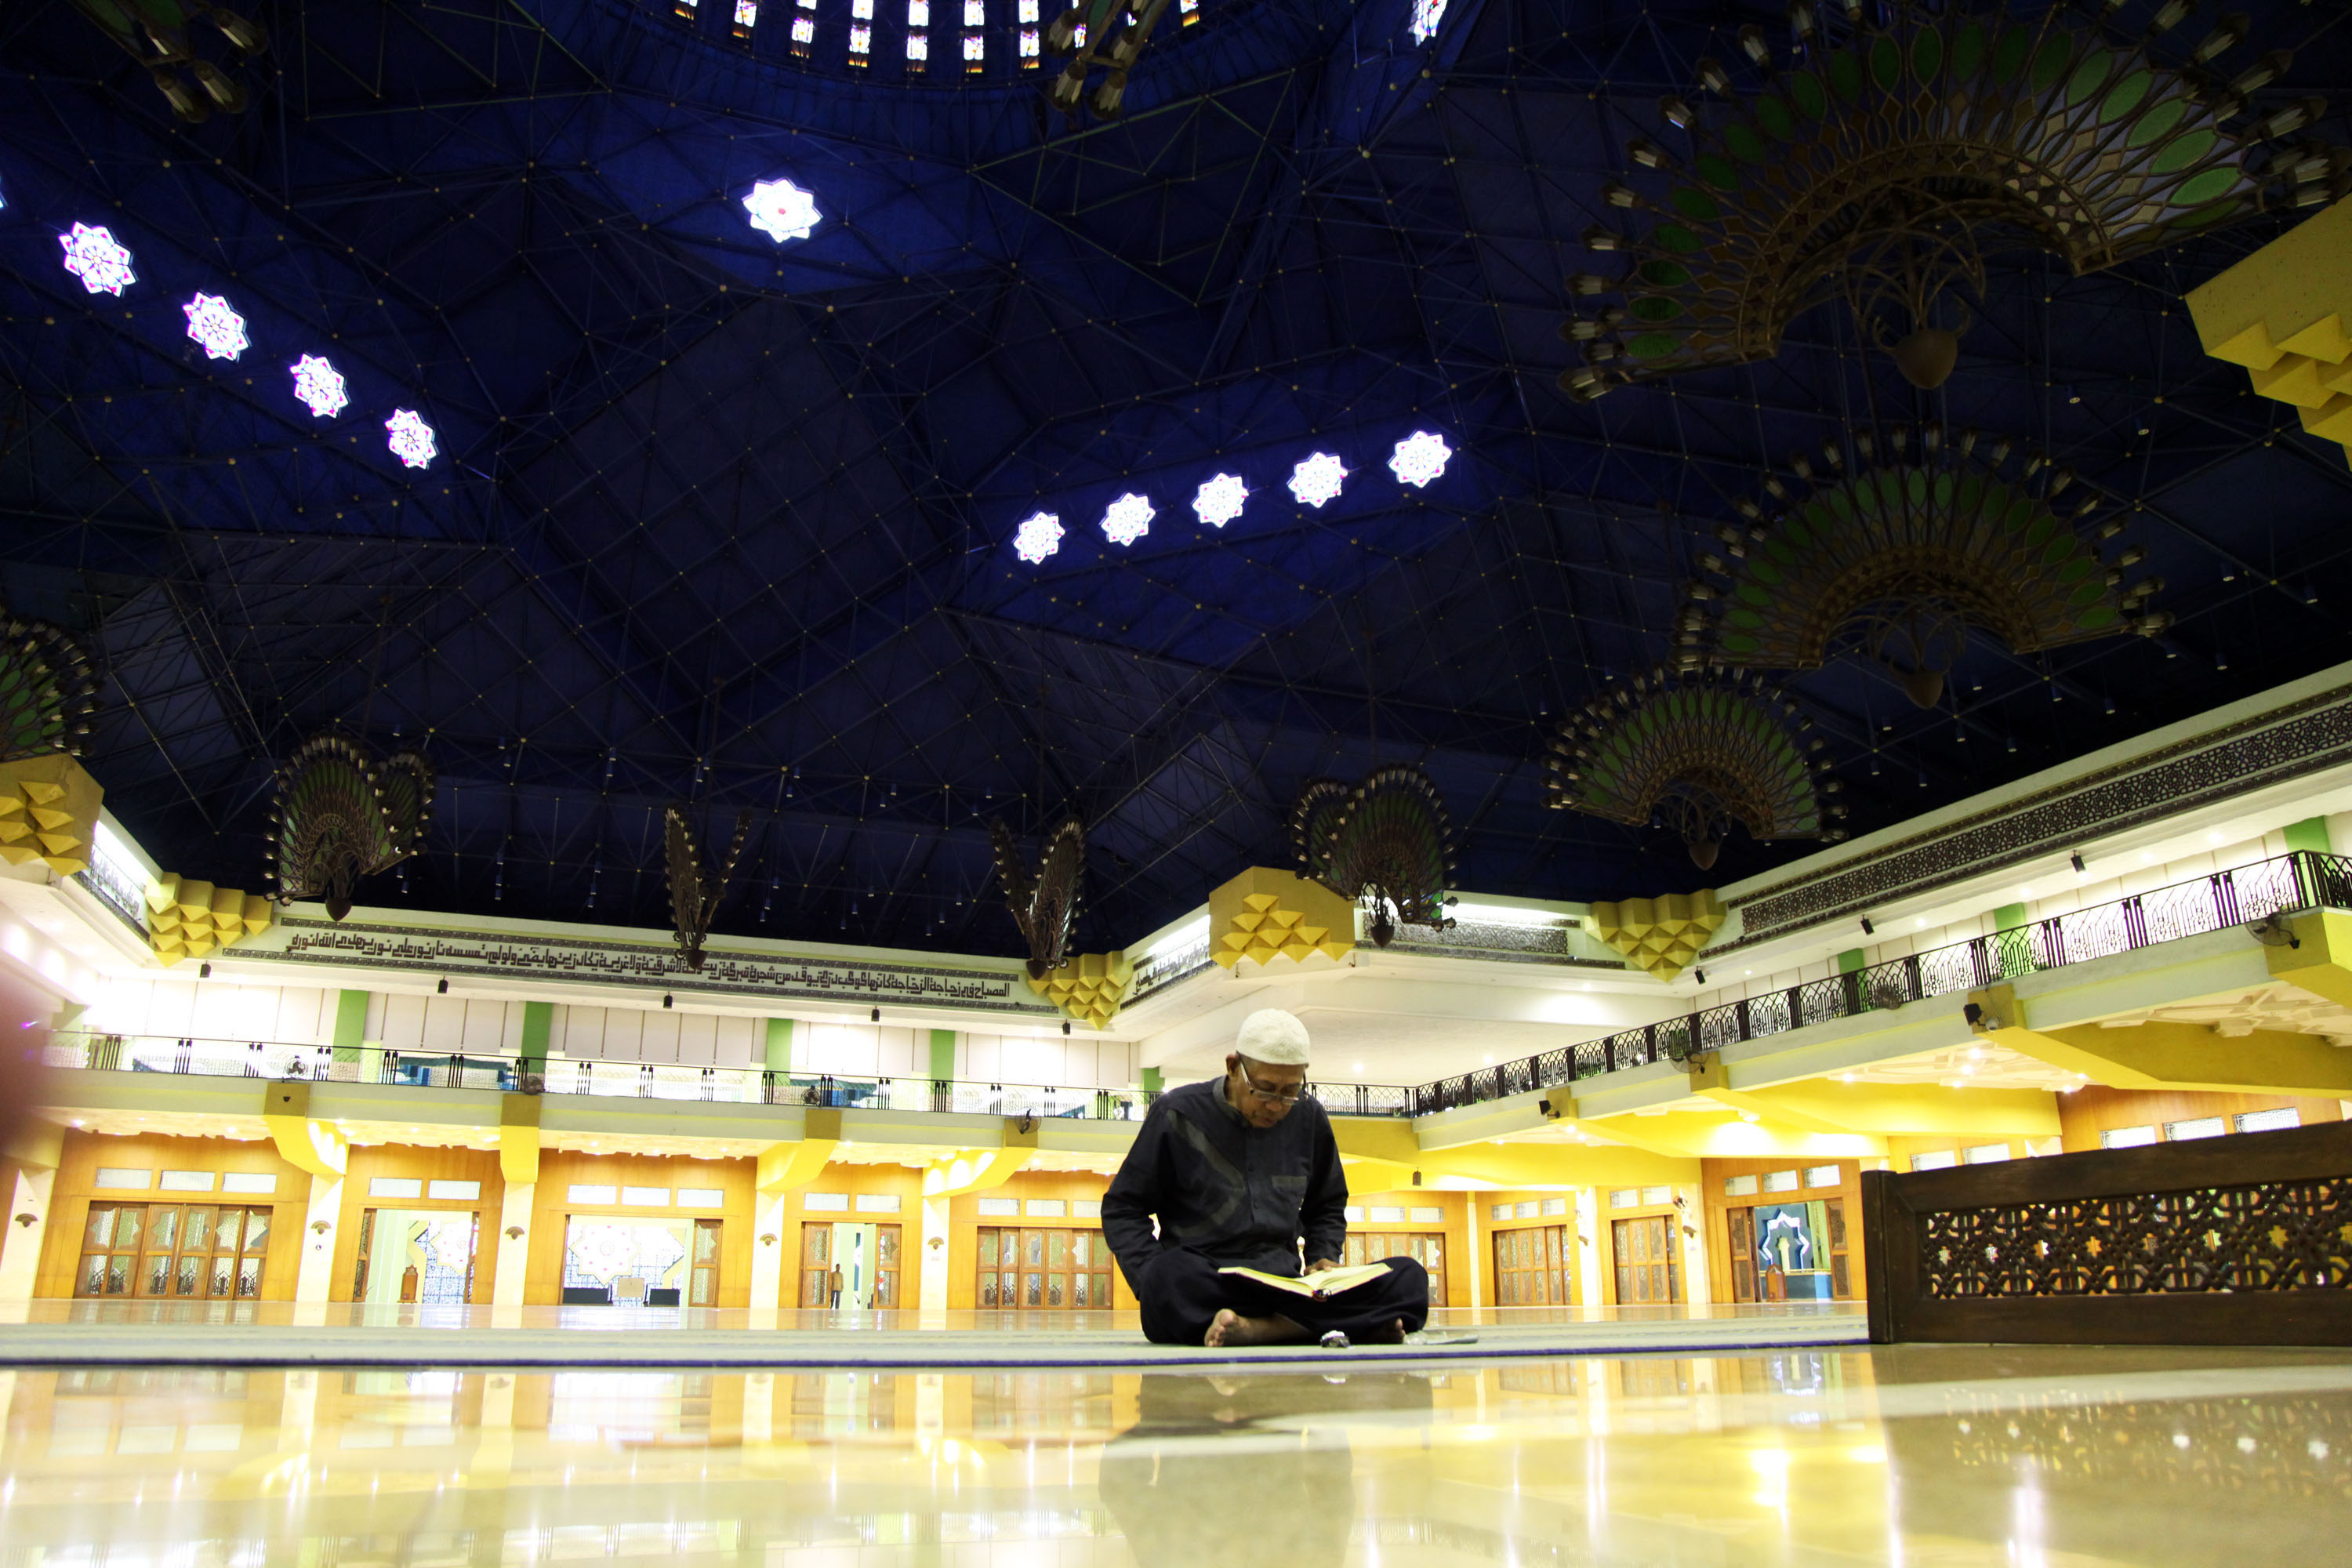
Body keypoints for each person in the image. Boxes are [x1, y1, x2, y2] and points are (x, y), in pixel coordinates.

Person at [1101, 1007, 1430, 1347]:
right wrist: (1151, 1278)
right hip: (1212, 1284)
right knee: (1167, 1276)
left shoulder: (1310, 1118)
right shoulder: (1178, 1114)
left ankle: (1264, 1329)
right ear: (1233, 1068)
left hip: (1289, 1287)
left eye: (1290, 1091)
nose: (1277, 1105)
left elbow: (1327, 1204)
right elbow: (1122, 1208)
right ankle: (1344, 1327)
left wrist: (1321, 1257)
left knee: (1408, 1276)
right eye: (1266, 1089)